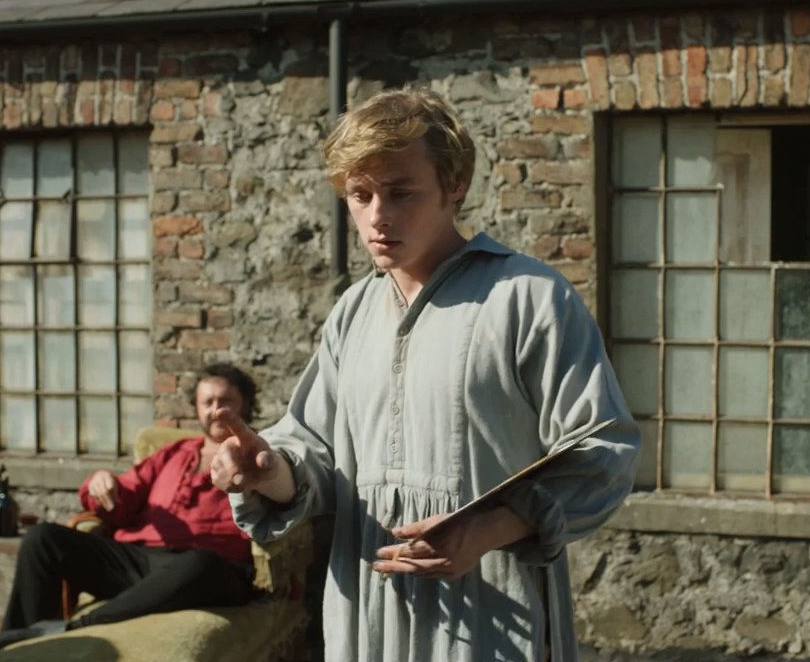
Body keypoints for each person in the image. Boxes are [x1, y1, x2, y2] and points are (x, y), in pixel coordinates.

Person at [210, 88, 641, 662]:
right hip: (367, 621)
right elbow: (313, 451)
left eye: (401, 192)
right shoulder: (353, 312)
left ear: (454, 184)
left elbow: (604, 450)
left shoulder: (529, 298)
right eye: (360, 195)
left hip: (491, 621)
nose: (377, 216)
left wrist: (485, 530)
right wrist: (268, 471)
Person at [0, 363, 261, 654]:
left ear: (244, 404)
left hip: (207, 571)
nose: (216, 410)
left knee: (201, 563)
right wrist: (102, 483)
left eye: (225, 401)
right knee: (42, 538)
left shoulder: (256, 455)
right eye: (207, 402)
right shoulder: (173, 453)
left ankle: (74, 628)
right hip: (140, 561)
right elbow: (122, 499)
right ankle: (12, 648)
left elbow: (276, 505)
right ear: (196, 408)